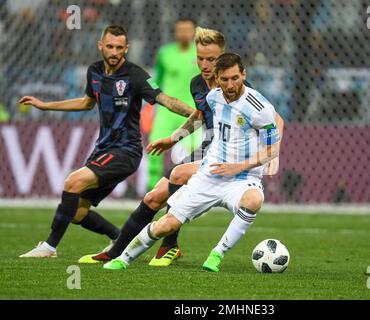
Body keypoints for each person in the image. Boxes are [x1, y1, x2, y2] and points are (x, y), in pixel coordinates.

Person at [78, 27, 283, 266]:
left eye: (212, 59)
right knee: (154, 197)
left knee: (178, 173)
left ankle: (168, 245)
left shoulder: (235, 83)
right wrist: (174, 138)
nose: (205, 65)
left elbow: (275, 120)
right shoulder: (198, 85)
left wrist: (272, 156)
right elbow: (200, 115)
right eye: (200, 58)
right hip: (210, 148)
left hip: (229, 155)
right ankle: (119, 251)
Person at [18, 25, 194, 258]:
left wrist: (195, 113)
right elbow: (86, 103)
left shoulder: (135, 75)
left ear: (126, 48)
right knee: (78, 212)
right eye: (109, 46)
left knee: (73, 182)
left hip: (126, 150)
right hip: (103, 149)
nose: (114, 52)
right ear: (100, 46)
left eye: (119, 48)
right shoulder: (94, 71)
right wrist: (44, 105)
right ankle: (117, 237)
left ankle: (49, 247)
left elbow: (165, 99)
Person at [147, 18, 201, 190]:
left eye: (188, 29)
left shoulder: (201, 54)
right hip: (167, 110)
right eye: (180, 30)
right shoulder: (165, 53)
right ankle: (152, 191)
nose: (184, 33)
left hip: (193, 110)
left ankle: (196, 192)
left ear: (194, 32)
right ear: (175, 32)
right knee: (154, 146)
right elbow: (157, 81)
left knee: (198, 151)